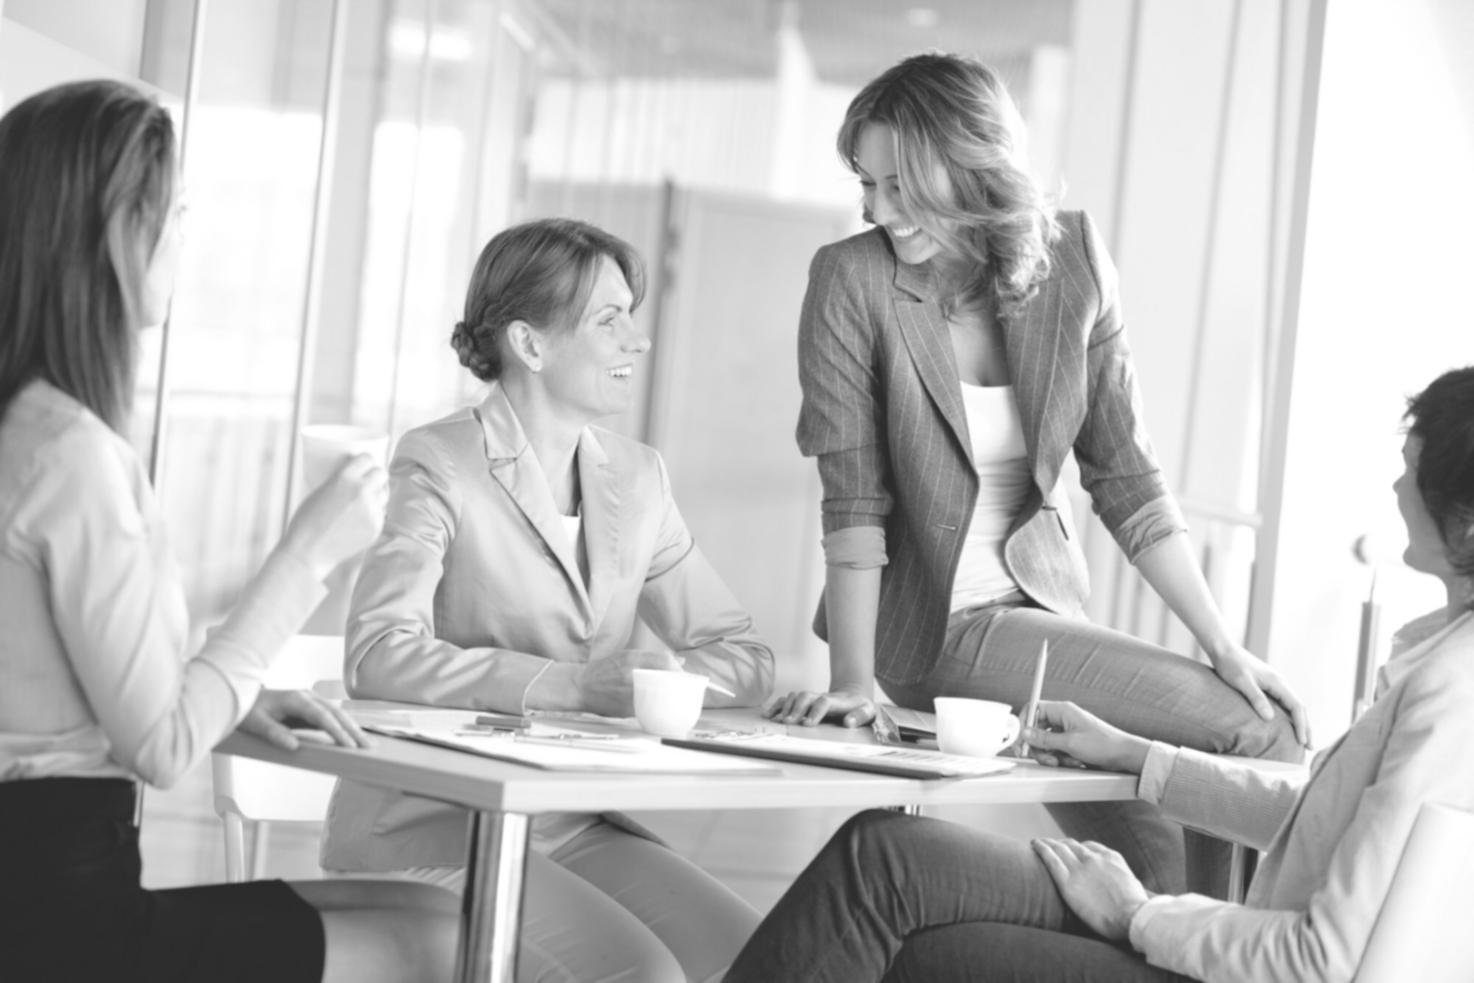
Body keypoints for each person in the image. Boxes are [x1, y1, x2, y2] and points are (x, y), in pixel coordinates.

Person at [727, 364, 1474, 983]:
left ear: (1465, 525)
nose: (1396, 489)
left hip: (1237, 963)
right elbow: (1320, 820)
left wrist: (1138, 913)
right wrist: (1134, 754)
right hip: (1225, 944)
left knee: (890, 877)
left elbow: (1321, 961)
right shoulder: (1443, 657)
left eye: (1408, 472)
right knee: (889, 856)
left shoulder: (1452, 695)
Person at [765, 51, 1305, 895]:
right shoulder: (852, 279)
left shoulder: (1074, 260)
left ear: (971, 166)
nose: (878, 209)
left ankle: (1200, 940)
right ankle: (1231, 950)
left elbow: (1125, 474)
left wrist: (1222, 643)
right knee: (1253, 734)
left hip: (1038, 610)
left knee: (1157, 863)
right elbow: (855, 497)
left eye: (901, 185)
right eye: (868, 184)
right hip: (930, 629)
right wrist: (853, 681)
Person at [0, 81, 457, 982]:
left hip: (37, 886)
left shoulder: (28, 431)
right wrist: (308, 552)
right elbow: (160, 745)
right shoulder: (74, 459)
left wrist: (228, 695)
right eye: (174, 213)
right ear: (115, 231)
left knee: (442, 912)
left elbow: (61, 683)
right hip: (59, 919)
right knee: (438, 941)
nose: (184, 238)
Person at [319, 217, 775, 983]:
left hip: (568, 818)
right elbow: (377, 651)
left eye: (632, 314)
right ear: (529, 346)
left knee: (763, 958)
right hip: (435, 822)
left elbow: (745, 656)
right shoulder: (439, 463)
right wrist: (572, 685)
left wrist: (667, 683)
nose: (637, 339)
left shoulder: (639, 478)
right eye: (609, 318)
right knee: (643, 974)